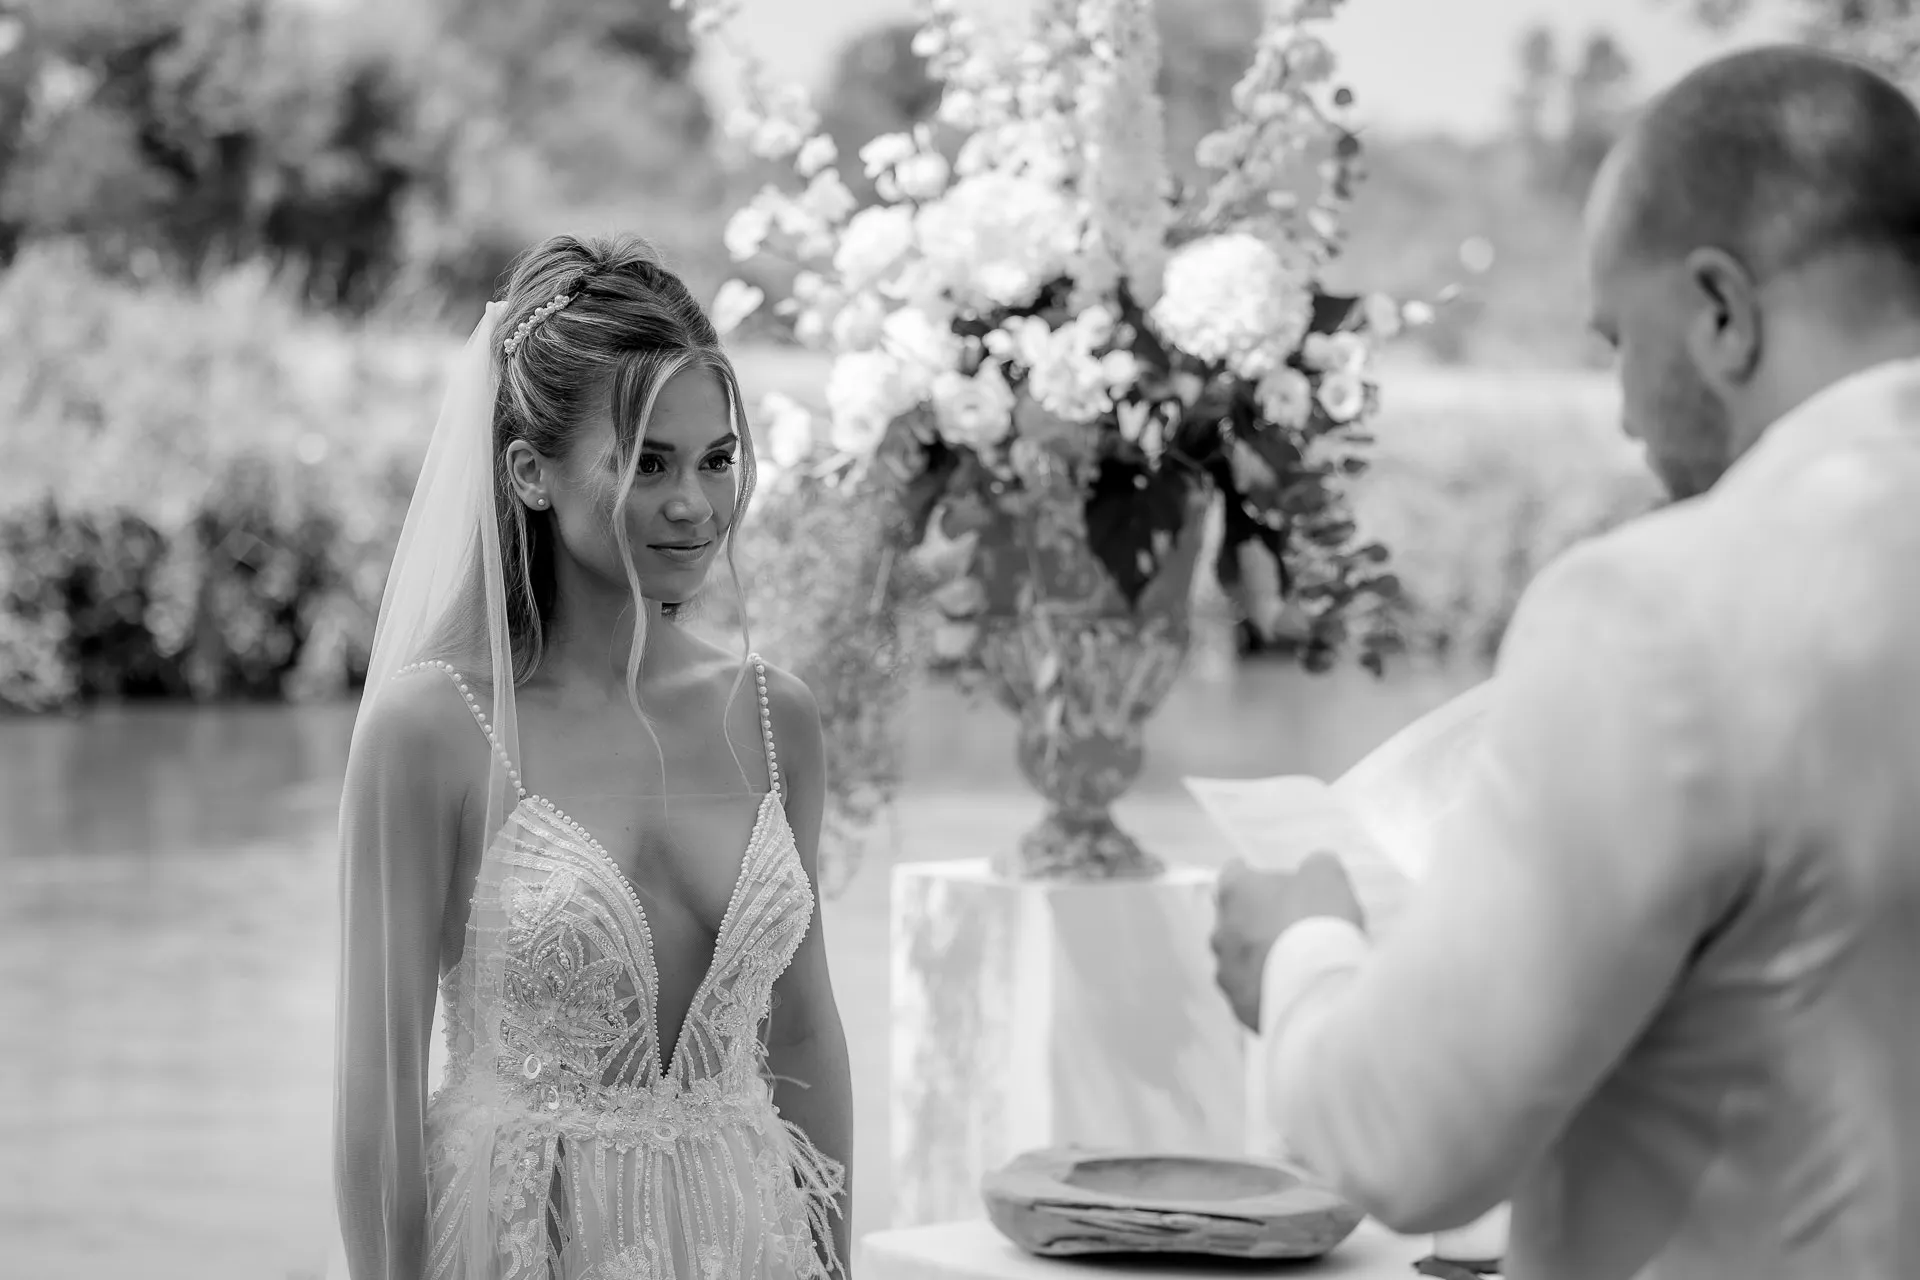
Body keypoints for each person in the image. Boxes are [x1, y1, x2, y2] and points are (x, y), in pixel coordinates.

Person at [1212, 44, 1920, 1279]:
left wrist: (1304, 949)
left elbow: (1413, 1133)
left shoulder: (1665, 608)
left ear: (1719, 312)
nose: (1631, 417)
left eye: (1615, 345)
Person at [330, 234, 852, 1280]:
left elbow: (800, 1035)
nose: (694, 505)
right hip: (528, 1244)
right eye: (648, 460)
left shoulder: (774, 718)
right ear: (531, 471)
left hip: (746, 1242)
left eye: (715, 460)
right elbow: (376, 1092)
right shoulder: (434, 728)